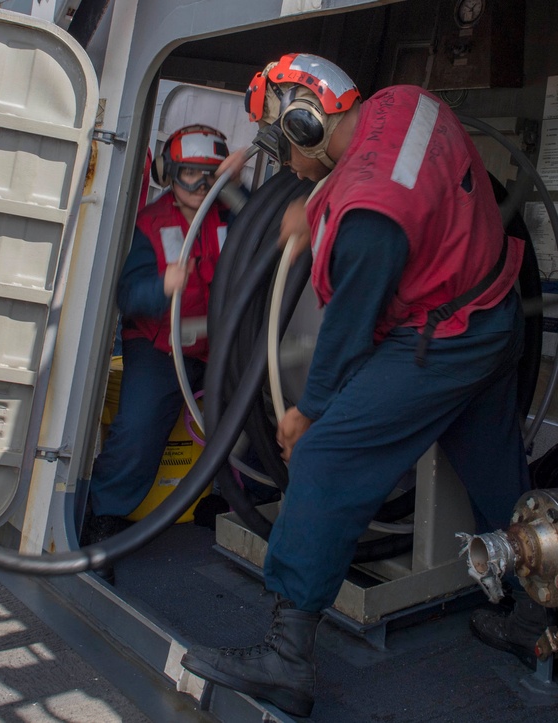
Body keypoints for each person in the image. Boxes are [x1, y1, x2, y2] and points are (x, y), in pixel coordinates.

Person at [179, 53, 532, 717]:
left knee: (325, 457)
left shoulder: (369, 213)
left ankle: (287, 657)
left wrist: (307, 412)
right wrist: (315, 214)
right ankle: (536, 616)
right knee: (495, 472)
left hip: (441, 340)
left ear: (308, 124)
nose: (287, 166)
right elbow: (381, 170)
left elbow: (350, 323)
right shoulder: (403, 101)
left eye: (284, 145)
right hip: (492, 311)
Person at [81, 126, 232, 561]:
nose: (200, 186)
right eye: (189, 174)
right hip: (158, 345)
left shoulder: (235, 217)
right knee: (138, 426)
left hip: (220, 343)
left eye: (210, 176)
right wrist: (162, 286)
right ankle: (104, 515)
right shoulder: (150, 224)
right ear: (169, 173)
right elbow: (127, 295)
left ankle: (228, 499)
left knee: (248, 418)